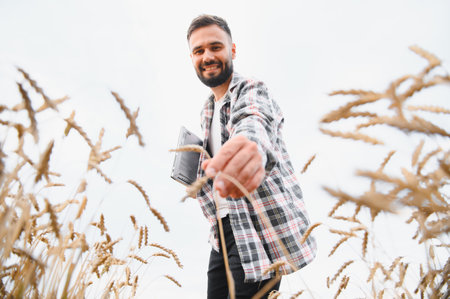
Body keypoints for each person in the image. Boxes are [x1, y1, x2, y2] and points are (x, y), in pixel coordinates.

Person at [186, 14, 317, 298]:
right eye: (199, 51)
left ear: (232, 50)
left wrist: (249, 147)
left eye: (215, 47)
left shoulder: (251, 89)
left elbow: (253, 121)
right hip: (221, 234)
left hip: (255, 230)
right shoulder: (206, 110)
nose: (207, 56)